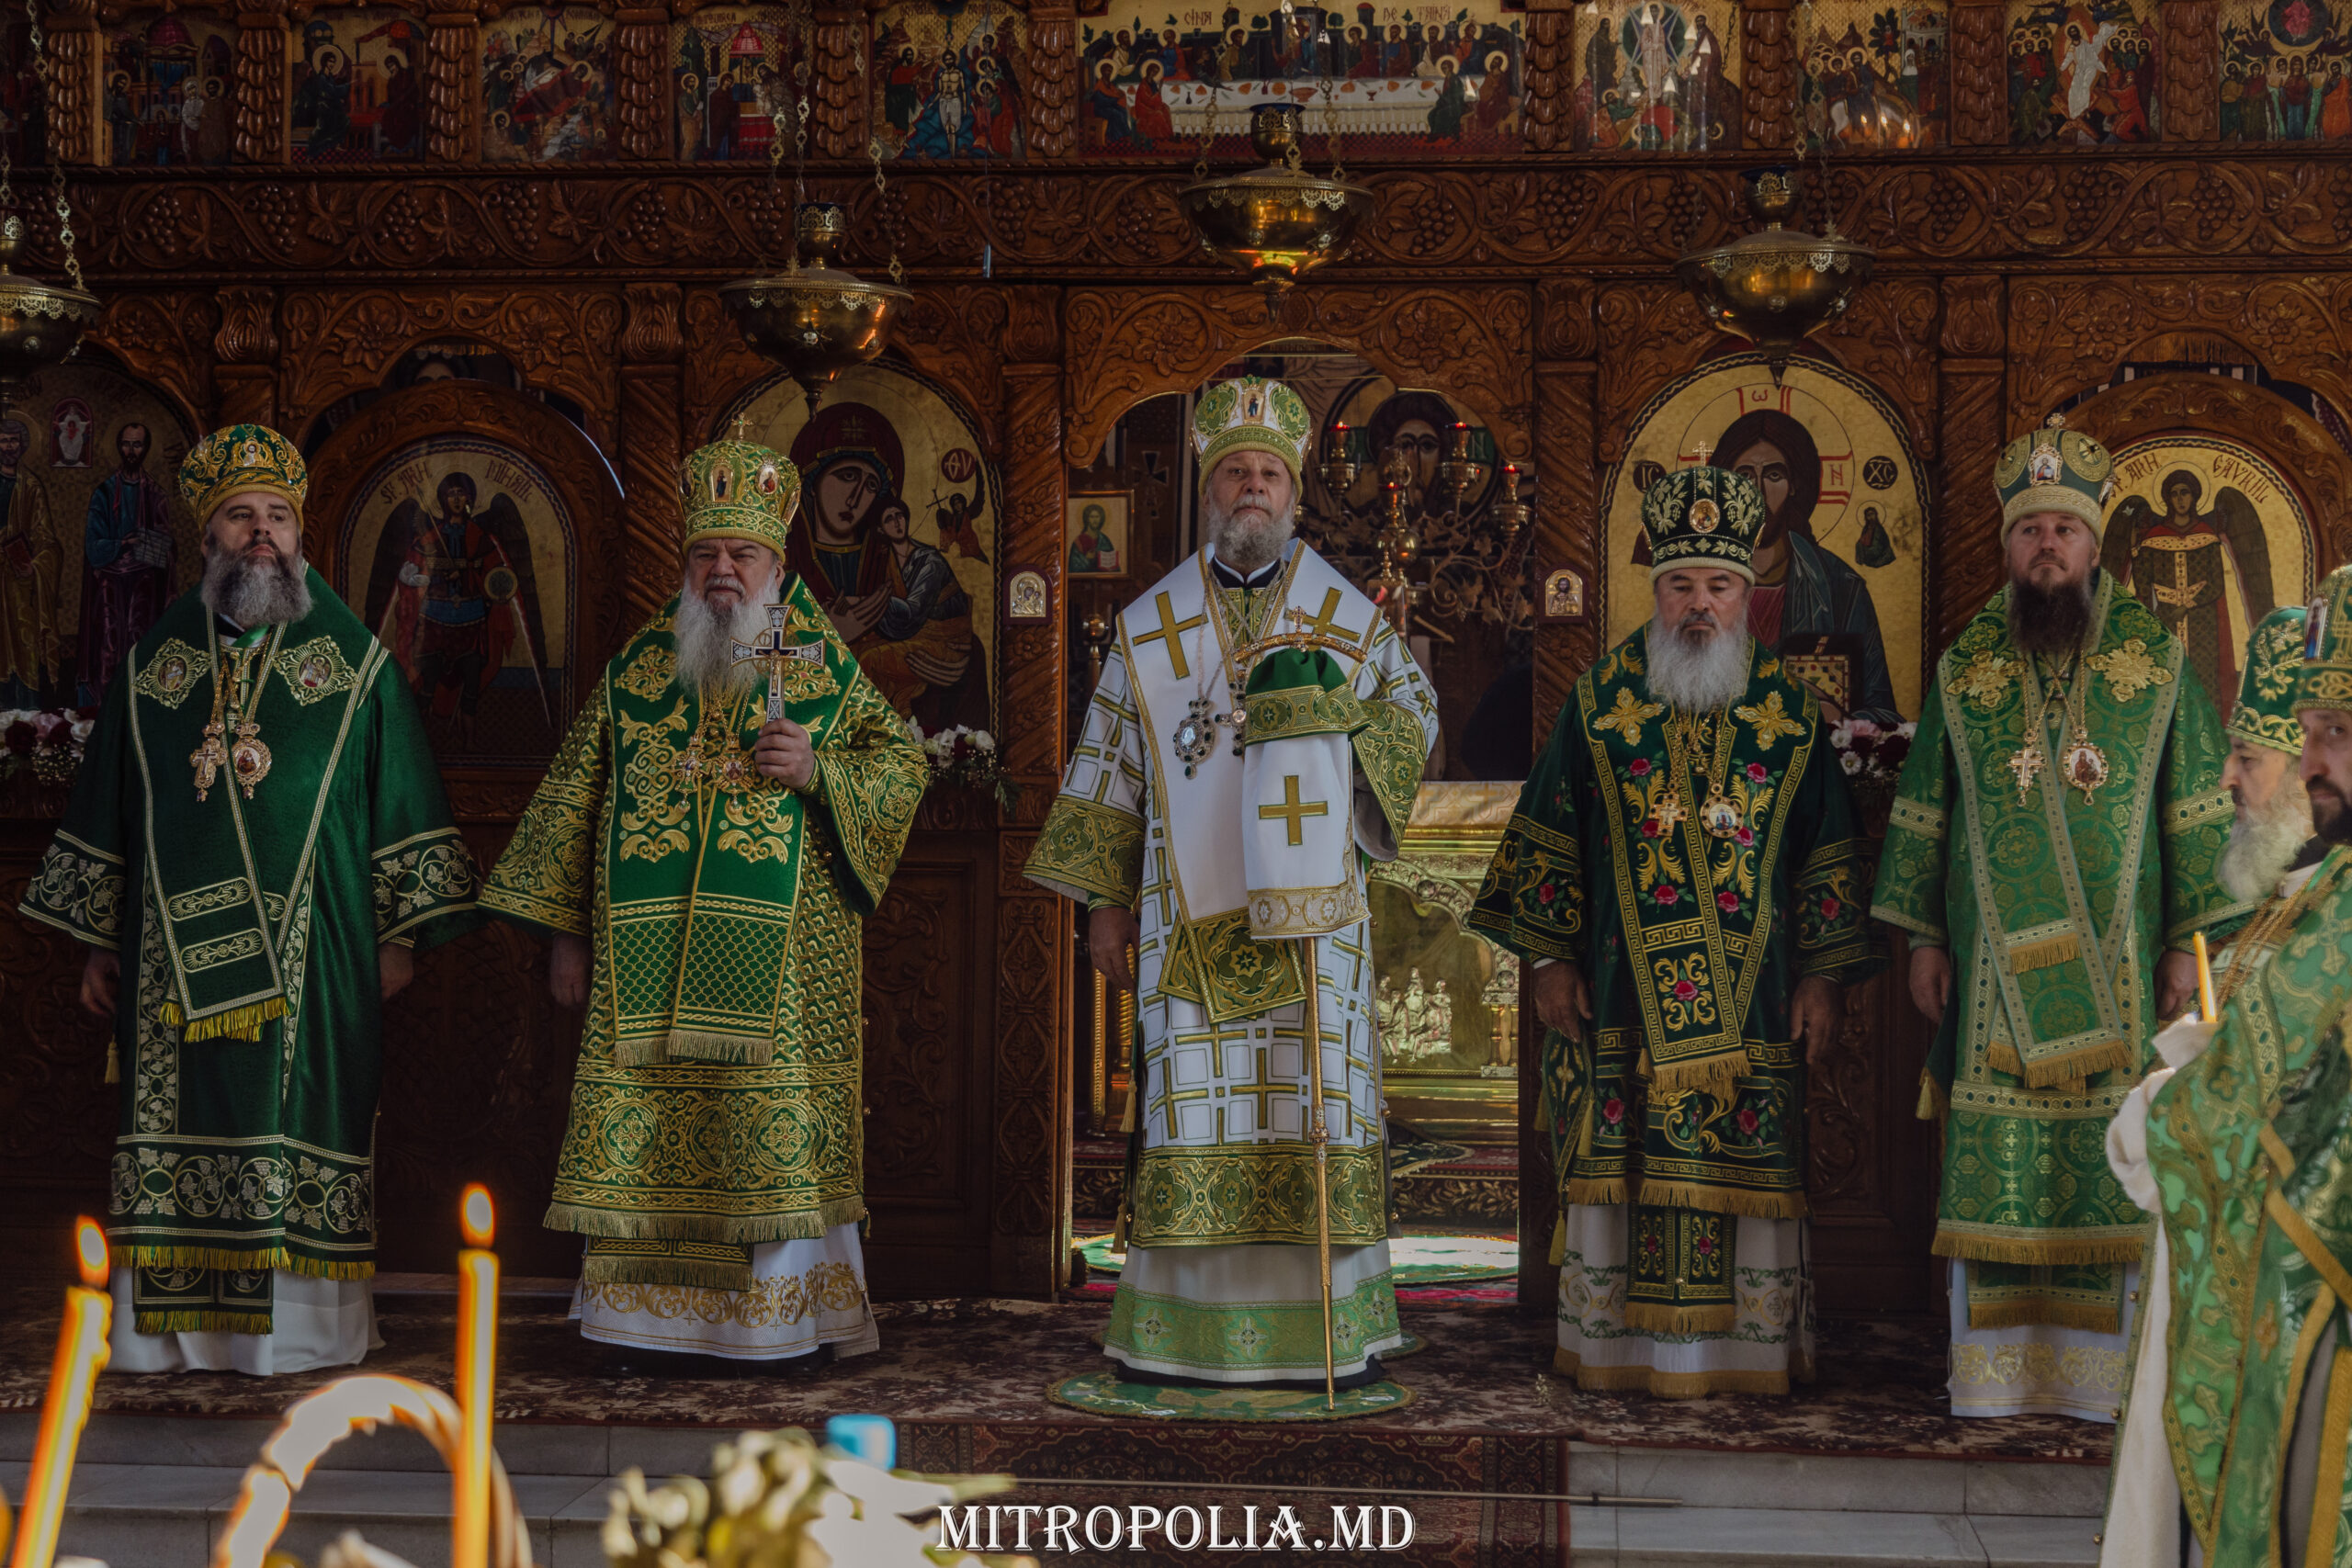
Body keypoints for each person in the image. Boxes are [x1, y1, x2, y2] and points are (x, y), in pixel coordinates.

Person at [17, 424, 478, 1375]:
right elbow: (113, 807)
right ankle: (164, 1335)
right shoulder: (153, 668)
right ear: (208, 539)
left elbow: (403, 804)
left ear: (300, 538)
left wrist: (398, 940)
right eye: (240, 516)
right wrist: (100, 942)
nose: (261, 532)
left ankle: (295, 1336)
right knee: (178, 1122)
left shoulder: (354, 668)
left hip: (318, 959)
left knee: (298, 1120)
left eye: (277, 517)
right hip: (166, 976)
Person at [1026, 377, 1439, 1387]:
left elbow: (1415, 718)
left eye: (1268, 475)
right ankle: (1185, 1334)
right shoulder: (1149, 625)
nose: (1252, 489)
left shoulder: (1348, 619)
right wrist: (1105, 910)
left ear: (1292, 494)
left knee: (1315, 1103)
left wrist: (1341, 723)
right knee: (1194, 1107)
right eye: (1234, 474)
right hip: (1184, 923)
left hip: (1315, 930)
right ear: (1208, 493)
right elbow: (1110, 767)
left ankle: (1329, 1329)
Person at [481, 437, 925, 1372]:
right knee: (648, 1137)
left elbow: (899, 766)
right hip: (641, 971)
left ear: (776, 565)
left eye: (743, 554)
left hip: (782, 969)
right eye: (706, 554)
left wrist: (817, 769)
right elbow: (574, 804)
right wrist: (566, 938)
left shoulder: (817, 660)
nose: (723, 570)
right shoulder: (640, 667)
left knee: (764, 1133)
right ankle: (642, 1326)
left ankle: (773, 1324)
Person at [1472, 465, 1878, 1397]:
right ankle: (1615, 1350)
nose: (1699, 605)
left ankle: (1747, 1355)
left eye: (1719, 585)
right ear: (1655, 592)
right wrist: (1548, 960)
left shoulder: (1789, 717)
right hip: (1619, 1004)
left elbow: (1827, 854)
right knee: (1622, 1169)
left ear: (1748, 593)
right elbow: (1548, 836)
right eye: (1681, 585)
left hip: (1756, 1004)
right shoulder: (1600, 704)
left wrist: (1823, 978)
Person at [1873, 414, 2241, 1421]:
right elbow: (1926, 812)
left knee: (2103, 1168)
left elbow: (2196, 812)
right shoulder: (1966, 667)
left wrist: (2186, 950)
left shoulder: (2156, 664)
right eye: (2030, 530)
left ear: (2093, 544)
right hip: (1989, 985)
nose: (2047, 547)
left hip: (2120, 981)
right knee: (2002, 1173)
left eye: (2064, 530)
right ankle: (1994, 1380)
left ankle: (2098, 1381)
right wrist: (1924, 939)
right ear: (2008, 546)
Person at [2098, 579, 2352, 1566]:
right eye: (2311, 734)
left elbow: (2258, 1105)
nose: (2315, 761)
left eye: (2333, 733)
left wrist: (2158, 1110)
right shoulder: (2312, 899)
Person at [1716, 408, 1901, 725]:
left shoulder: (1841, 587)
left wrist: (1837, 719)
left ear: (1794, 485)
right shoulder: (1696, 585)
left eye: (1774, 475)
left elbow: (1884, 716)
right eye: (1744, 477)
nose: (1758, 493)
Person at [77, 421, 178, 707]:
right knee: (108, 645)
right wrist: (123, 543)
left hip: (144, 585)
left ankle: (139, 707)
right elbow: (93, 546)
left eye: (137, 445)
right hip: (108, 585)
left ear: (146, 449)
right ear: (118, 447)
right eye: (126, 444)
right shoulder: (104, 493)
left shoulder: (156, 494)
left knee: (140, 642)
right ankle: (106, 707)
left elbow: (166, 546)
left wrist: (150, 545)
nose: (131, 451)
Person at [0, 414, 61, 697]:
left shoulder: (30, 486)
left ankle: (23, 712)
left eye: (13, 441)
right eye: (3, 441)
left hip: (19, 584)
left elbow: (46, 539)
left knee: (23, 646)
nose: (8, 447)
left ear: (22, 445)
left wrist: (34, 567)